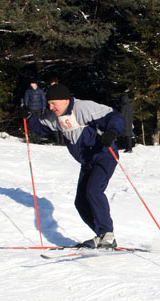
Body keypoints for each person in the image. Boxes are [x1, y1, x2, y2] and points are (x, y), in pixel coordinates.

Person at [26, 84, 124, 249]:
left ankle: (107, 234)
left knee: (94, 190)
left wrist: (112, 133)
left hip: (104, 156)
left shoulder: (83, 108)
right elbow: (41, 127)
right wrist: (28, 117)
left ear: (65, 101)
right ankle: (102, 236)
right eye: (49, 103)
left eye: (53, 103)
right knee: (80, 202)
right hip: (87, 162)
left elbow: (114, 116)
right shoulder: (54, 116)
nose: (50, 107)